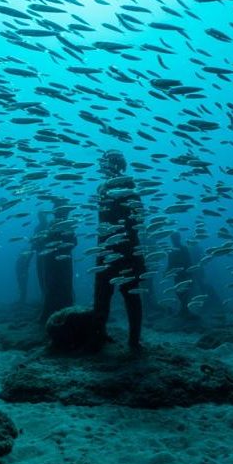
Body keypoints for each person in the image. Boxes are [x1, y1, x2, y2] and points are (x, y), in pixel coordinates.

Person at [93, 149, 145, 350]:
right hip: (111, 248)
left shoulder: (127, 185)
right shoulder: (102, 188)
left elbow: (138, 218)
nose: (102, 166)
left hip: (123, 248)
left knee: (123, 294)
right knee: (106, 294)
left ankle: (131, 340)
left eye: (105, 162)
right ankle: (103, 336)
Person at [38, 201, 76, 324]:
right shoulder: (59, 225)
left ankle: (59, 316)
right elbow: (73, 243)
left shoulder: (54, 225)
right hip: (57, 264)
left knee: (56, 288)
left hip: (57, 263)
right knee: (59, 288)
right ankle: (57, 317)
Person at [166, 232, 193, 318]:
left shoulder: (184, 249)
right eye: (173, 239)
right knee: (178, 292)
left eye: (175, 238)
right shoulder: (171, 251)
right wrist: (167, 271)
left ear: (179, 238)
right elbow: (169, 263)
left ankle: (185, 309)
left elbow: (189, 261)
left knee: (185, 291)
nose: (174, 240)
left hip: (184, 273)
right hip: (177, 274)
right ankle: (183, 309)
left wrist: (190, 272)